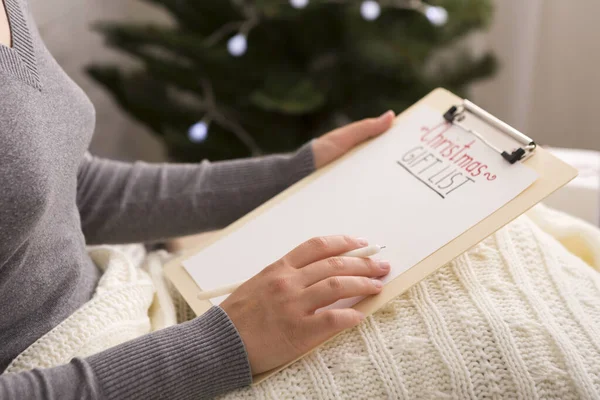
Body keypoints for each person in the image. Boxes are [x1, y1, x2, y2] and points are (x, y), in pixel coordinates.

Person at [0, 0, 396, 398]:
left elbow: (74, 189)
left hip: (122, 312)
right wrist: (217, 348)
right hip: (117, 367)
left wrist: (292, 175)